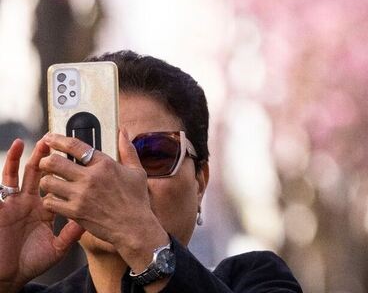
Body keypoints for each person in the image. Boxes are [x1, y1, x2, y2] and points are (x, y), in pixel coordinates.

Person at [0, 51, 301, 293]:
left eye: (155, 154)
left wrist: (145, 245)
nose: (122, 179)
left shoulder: (257, 279)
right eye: (96, 156)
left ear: (200, 183)